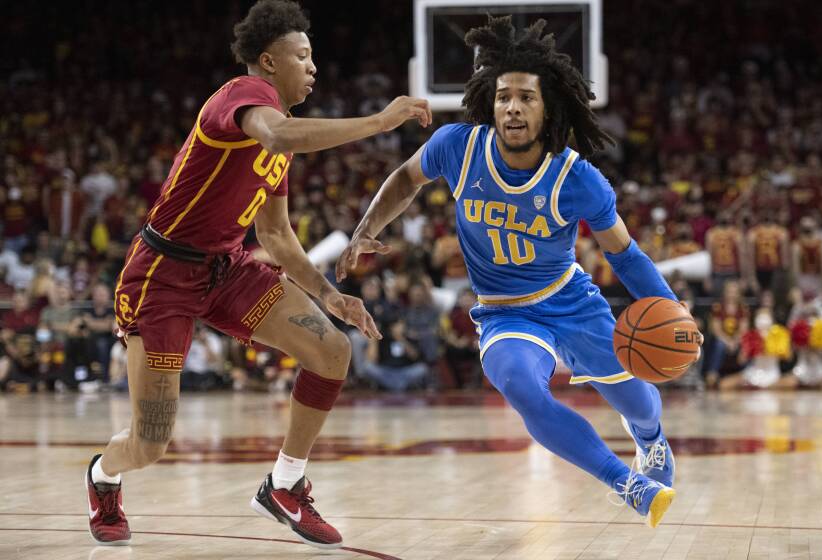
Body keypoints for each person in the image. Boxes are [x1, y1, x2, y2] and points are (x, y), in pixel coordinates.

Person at [85, 0, 431, 549]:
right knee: (151, 441)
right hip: (163, 273)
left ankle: (285, 484)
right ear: (268, 62)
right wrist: (381, 122)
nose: (313, 66)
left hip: (227, 268)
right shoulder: (246, 97)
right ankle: (104, 477)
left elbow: (274, 236)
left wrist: (328, 295)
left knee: (332, 350)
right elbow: (277, 136)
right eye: (303, 55)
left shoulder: (283, 126)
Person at [337, 15, 702, 528]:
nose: (513, 106)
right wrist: (364, 228)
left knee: (640, 402)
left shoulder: (578, 179)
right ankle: (626, 483)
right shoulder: (457, 147)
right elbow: (404, 178)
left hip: (570, 299)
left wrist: (674, 306)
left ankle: (649, 437)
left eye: (526, 97)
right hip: (506, 314)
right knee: (519, 385)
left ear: (547, 105)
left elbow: (624, 254)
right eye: (504, 95)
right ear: (490, 99)